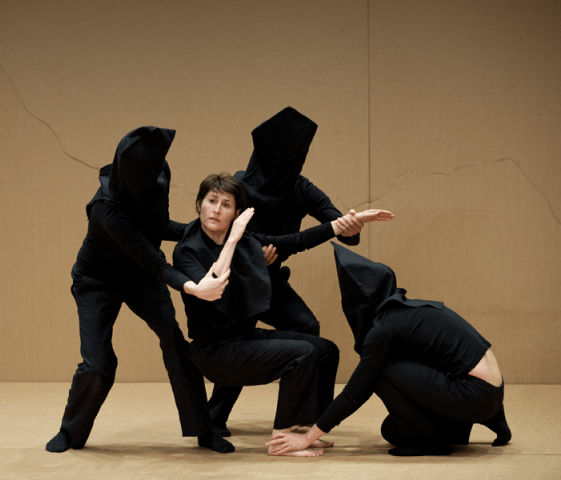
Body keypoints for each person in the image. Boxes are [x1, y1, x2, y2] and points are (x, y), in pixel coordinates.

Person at [172, 173, 394, 456]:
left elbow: (295, 240)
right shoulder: (187, 250)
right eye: (211, 201)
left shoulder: (246, 240)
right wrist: (234, 238)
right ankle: (281, 437)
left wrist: (341, 225)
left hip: (244, 338)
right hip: (214, 351)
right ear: (199, 204)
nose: (216, 210)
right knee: (302, 354)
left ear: (237, 213)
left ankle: (305, 427)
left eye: (226, 205)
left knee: (326, 351)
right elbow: (212, 286)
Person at [45, 127, 235, 454]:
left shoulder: (160, 175)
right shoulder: (106, 209)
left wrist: (209, 229)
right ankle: (69, 431)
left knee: (175, 343)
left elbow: (157, 226)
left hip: (140, 277)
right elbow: (154, 259)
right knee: (98, 364)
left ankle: (205, 431)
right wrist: (194, 287)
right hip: (97, 282)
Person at [268, 243, 512, 456]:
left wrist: (308, 437)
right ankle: (488, 422)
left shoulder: (384, 329)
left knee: (379, 372)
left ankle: (432, 441)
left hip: (474, 396)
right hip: (493, 394)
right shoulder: (408, 312)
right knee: (392, 430)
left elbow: (357, 390)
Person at [210, 106, 368, 436]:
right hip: (237, 282)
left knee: (305, 325)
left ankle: (306, 416)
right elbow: (217, 237)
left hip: (270, 282)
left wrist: (350, 227)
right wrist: (253, 255)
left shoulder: (300, 188)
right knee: (241, 337)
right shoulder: (239, 187)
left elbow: (337, 224)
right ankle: (213, 416)